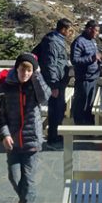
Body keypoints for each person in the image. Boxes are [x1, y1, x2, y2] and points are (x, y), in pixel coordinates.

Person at [0, 53, 50, 203]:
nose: (25, 73)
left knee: (29, 178)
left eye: (29, 70)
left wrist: (38, 76)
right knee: (14, 176)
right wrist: (4, 134)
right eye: (22, 69)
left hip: (32, 139)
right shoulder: (6, 87)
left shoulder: (34, 85)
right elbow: (0, 115)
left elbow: (45, 97)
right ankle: (25, 201)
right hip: (12, 140)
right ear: (16, 68)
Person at [35, 18, 73, 150]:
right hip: (55, 83)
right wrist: (54, 85)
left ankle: (55, 135)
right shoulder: (52, 42)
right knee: (55, 110)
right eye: (69, 30)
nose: (70, 33)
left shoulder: (56, 40)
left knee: (59, 109)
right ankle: (52, 139)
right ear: (63, 30)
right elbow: (50, 63)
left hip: (59, 81)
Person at [70, 20, 102, 125]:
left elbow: (92, 56)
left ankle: (88, 126)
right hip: (84, 79)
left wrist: (97, 59)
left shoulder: (92, 41)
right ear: (89, 29)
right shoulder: (79, 42)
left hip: (93, 77)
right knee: (81, 104)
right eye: (96, 30)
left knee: (89, 105)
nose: (97, 33)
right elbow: (74, 60)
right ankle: (79, 128)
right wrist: (92, 58)